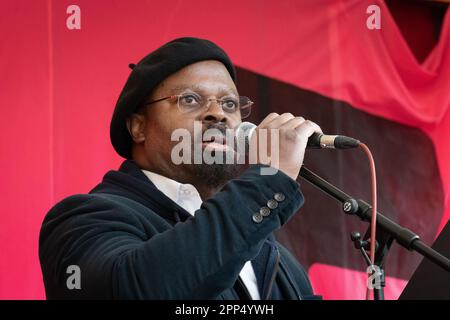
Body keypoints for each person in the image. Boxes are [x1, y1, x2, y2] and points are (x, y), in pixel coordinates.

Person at [39, 37, 322, 300]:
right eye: (190, 99)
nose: (218, 113)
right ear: (138, 127)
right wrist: (267, 180)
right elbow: (136, 289)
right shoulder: (82, 220)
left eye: (229, 103)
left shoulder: (273, 253)